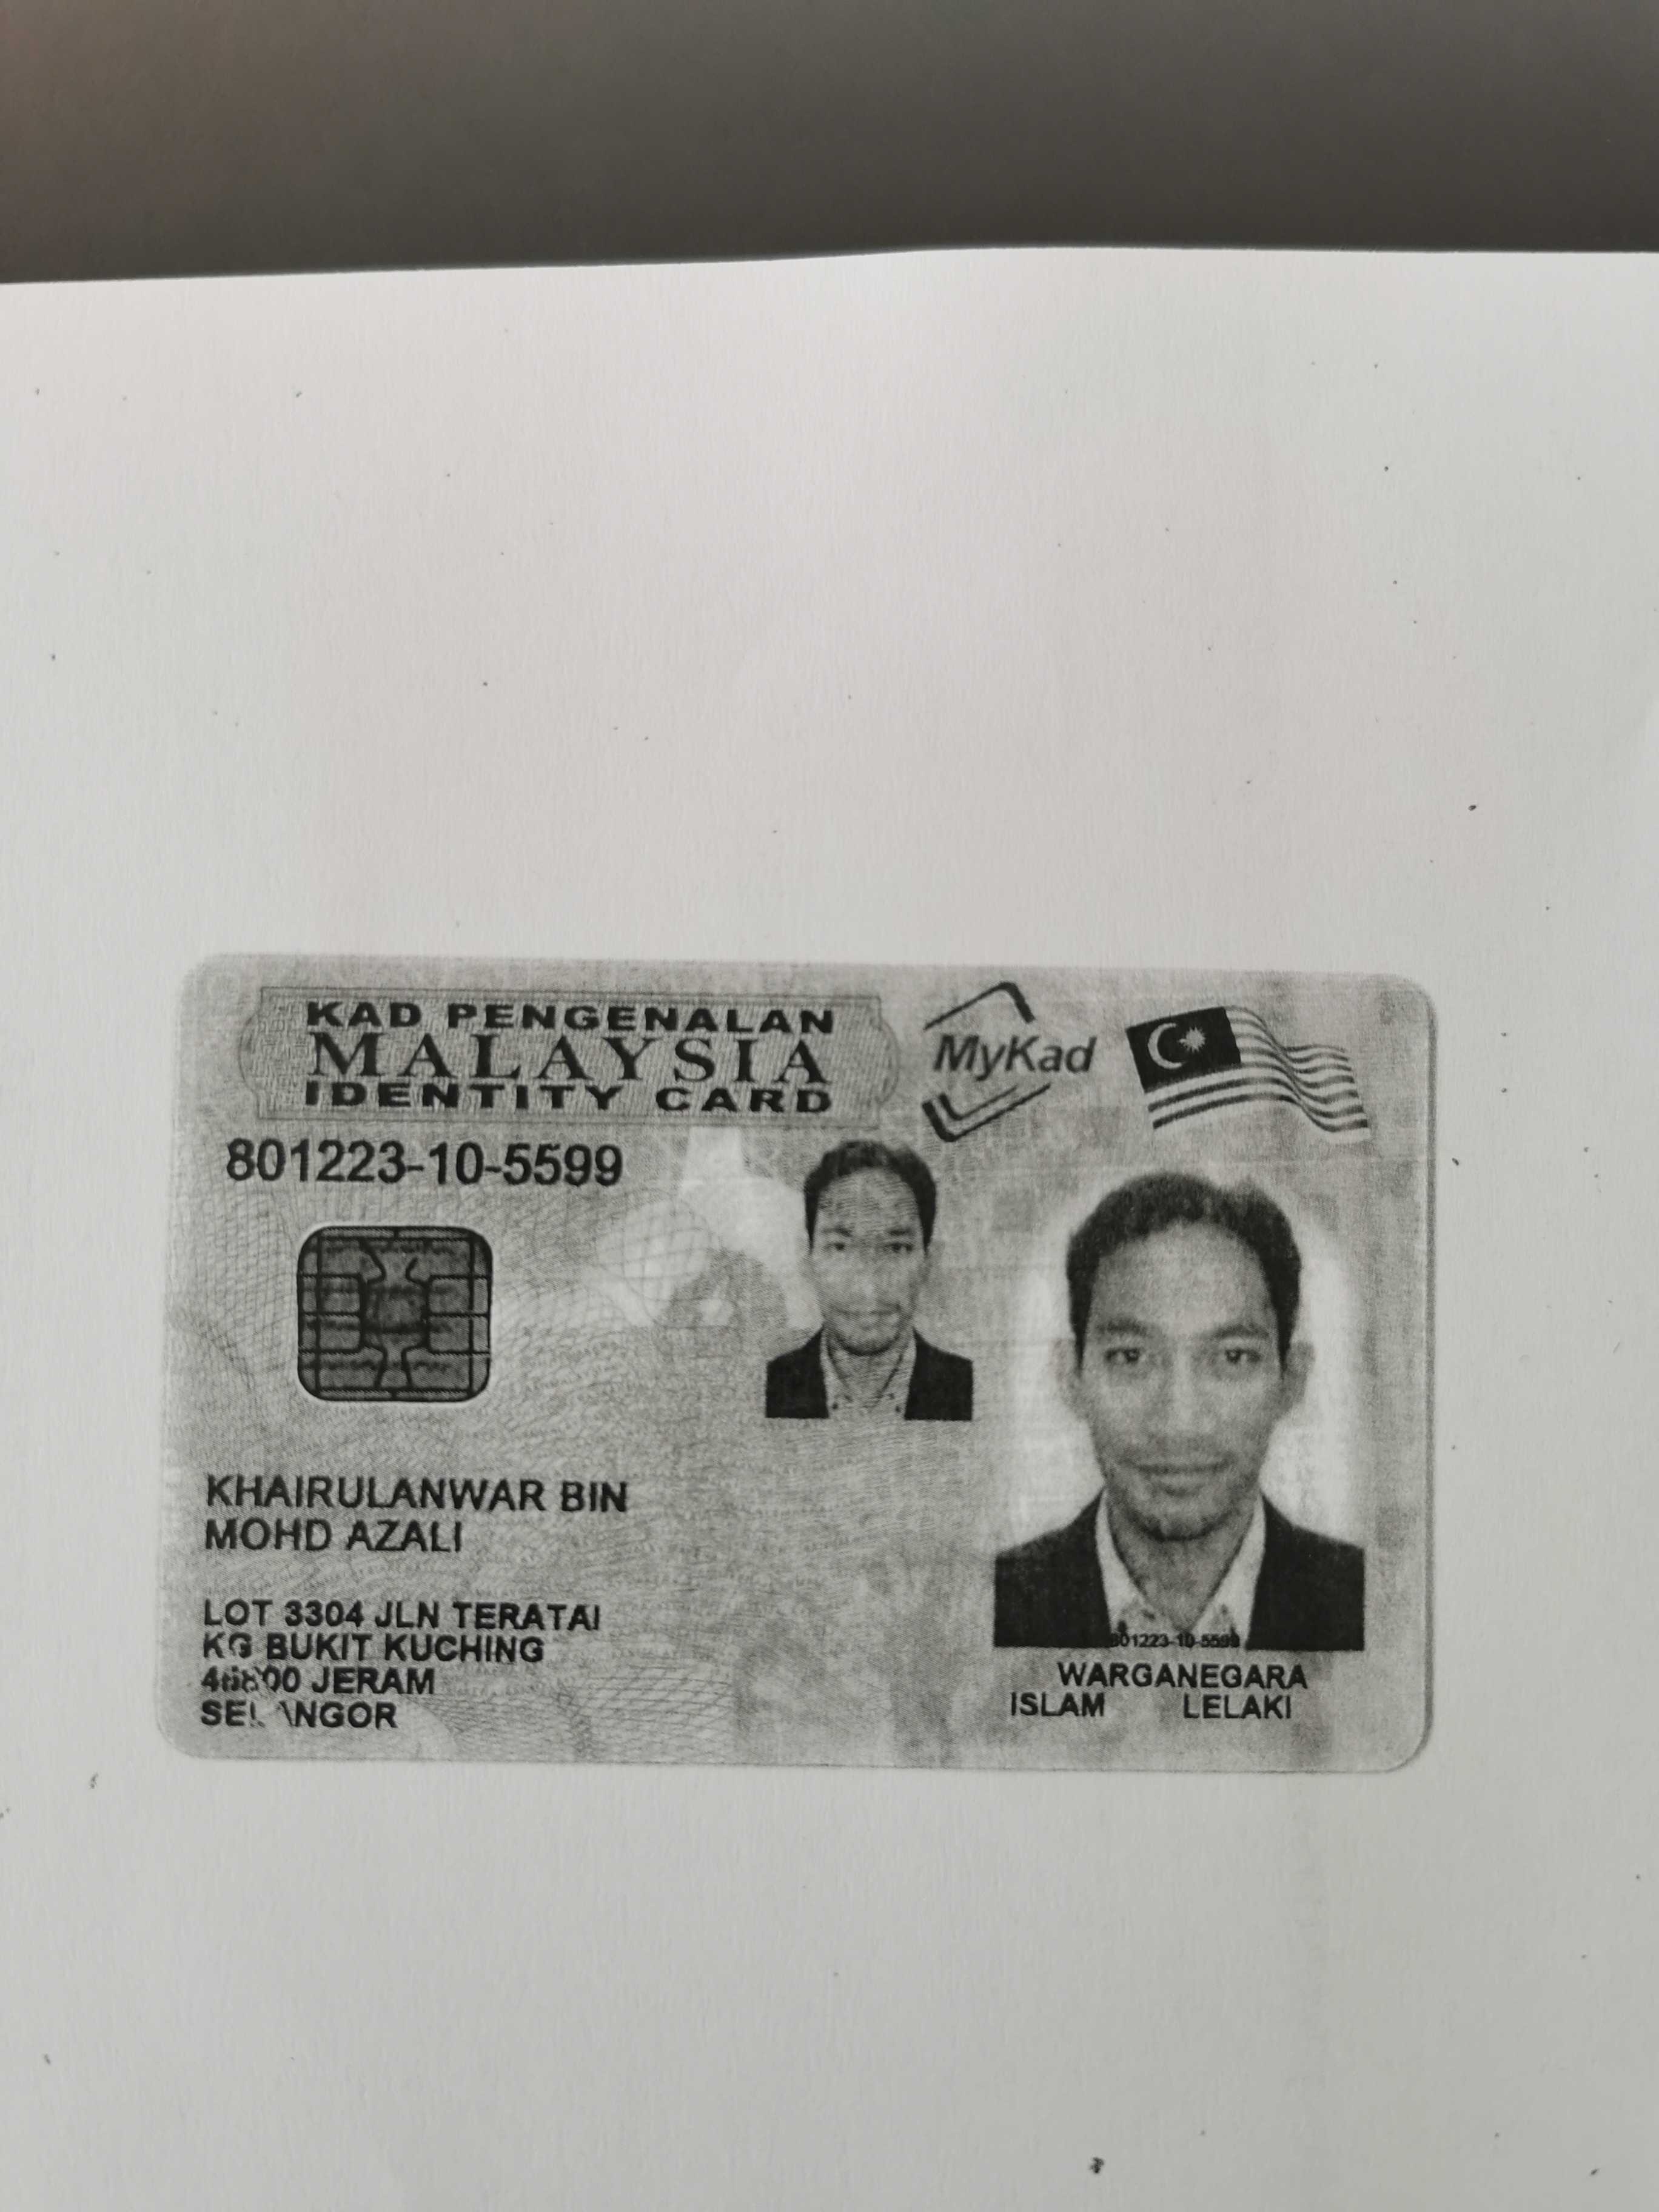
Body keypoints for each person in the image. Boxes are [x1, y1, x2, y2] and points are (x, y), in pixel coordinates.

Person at [994, 1171, 1362, 1649]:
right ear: (1071, 1377)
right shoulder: (991, 1603)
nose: (1179, 1423)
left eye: (1233, 1357)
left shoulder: (1371, 1602)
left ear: (1291, 1380)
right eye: (1131, 1357)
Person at [765, 1140, 973, 1421]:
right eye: (840, 1247)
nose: (868, 1288)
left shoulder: (974, 1390)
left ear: (929, 1263)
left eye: (896, 1248)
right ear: (807, 1259)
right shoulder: (764, 1388)